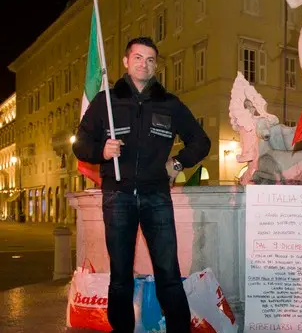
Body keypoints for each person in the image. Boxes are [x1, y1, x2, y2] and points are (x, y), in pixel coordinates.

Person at [73, 37, 211, 332]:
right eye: (137, 58)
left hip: (156, 196)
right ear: (125, 61)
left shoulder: (169, 104)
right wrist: (101, 151)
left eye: (150, 60)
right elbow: (80, 143)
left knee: (169, 274)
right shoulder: (106, 102)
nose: (143, 64)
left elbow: (201, 142)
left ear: (155, 65)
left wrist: (177, 163)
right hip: (117, 196)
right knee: (120, 275)